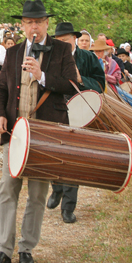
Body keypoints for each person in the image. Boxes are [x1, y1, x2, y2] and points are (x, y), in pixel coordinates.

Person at [0, 0, 77, 263]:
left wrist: (43, 75)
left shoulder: (62, 50)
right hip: (15, 131)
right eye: (28, 23)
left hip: (45, 134)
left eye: (38, 22)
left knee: (37, 194)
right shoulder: (13, 53)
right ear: (22, 25)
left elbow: (72, 86)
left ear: (46, 23)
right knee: (7, 189)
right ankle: (3, 248)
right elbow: (1, 88)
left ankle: (26, 248)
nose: (33, 27)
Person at [46, 22, 105, 224]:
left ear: (75, 39)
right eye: (59, 41)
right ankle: (57, 189)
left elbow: (101, 85)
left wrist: (81, 78)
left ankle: (68, 207)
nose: (63, 44)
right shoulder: (50, 57)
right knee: (54, 154)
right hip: (55, 110)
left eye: (66, 40)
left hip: (80, 112)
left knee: (73, 157)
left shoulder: (88, 57)